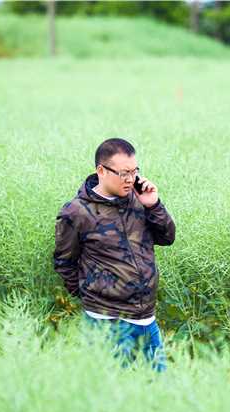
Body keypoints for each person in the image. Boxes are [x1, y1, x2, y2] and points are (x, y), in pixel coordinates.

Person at [53, 138, 176, 372]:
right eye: (123, 173)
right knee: (116, 395)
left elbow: (167, 237)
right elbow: (64, 262)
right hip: (106, 322)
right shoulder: (76, 212)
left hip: (146, 319)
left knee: (159, 391)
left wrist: (153, 205)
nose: (131, 179)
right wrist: (94, 294)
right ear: (101, 170)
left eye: (135, 172)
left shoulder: (140, 200)